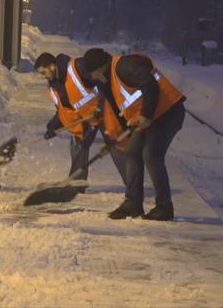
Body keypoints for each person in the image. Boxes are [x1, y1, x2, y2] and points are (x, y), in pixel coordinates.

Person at [83, 48, 186, 221]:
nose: (92, 77)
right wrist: (117, 137)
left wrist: (145, 115)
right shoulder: (108, 81)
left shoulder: (124, 66)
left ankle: (164, 207)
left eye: (93, 73)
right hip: (150, 117)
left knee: (151, 155)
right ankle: (133, 204)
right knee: (131, 151)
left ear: (100, 67)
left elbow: (150, 84)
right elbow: (120, 111)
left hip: (168, 112)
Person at [34, 52, 127, 185]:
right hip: (87, 119)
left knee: (116, 147)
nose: (44, 77)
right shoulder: (54, 87)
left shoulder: (77, 67)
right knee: (78, 145)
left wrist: (100, 107)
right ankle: (76, 184)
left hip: (105, 112)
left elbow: (102, 81)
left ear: (52, 66)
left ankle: (133, 184)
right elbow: (63, 110)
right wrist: (53, 127)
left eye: (44, 72)